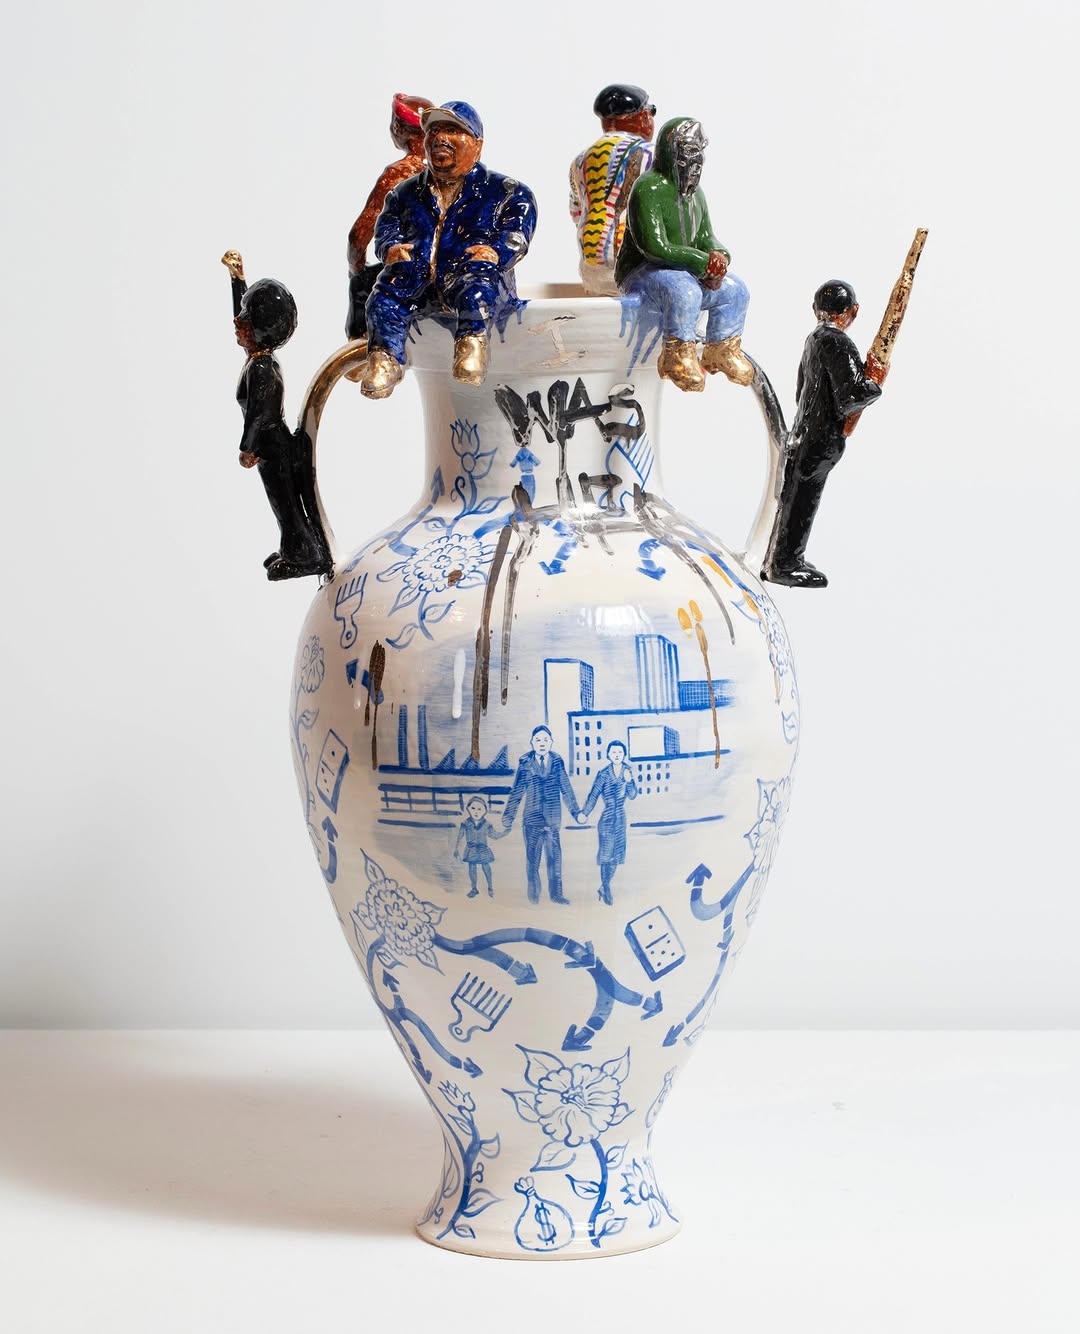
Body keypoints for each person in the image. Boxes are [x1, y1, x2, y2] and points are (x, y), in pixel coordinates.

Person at [360, 101, 538, 400]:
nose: (440, 138)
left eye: (453, 131)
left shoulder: (506, 192)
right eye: (435, 131)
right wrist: (389, 248)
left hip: (469, 276)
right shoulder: (406, 192)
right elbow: (387, 226)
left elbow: (516, 233)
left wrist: (496, 252)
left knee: (478, 286)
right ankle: (385, 359)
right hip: (417, 280)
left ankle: (472, 344)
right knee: (383, 297)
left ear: (477, 145)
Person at [616, 117, 753, 393]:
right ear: (670, 153)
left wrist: (718, 258)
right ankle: (676, 356)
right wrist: (702, 263)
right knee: (685, 291)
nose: (696, 161)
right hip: (643, 273)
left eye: (699, 151)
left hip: (685, 271)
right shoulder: (647, 189)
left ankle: (721, 349)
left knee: (735, 290)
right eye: (689, 151)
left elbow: (706, 237)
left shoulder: (696, 195)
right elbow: (654, 247)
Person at [762, 280, 883, 588]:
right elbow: (851, 396)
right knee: (803, 501)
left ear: (815, 310)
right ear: (853, 311)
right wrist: (875, 382)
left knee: (794, 497)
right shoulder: (839, 343)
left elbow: (800, 391)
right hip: (820, 439)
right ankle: (784, 564)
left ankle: (779, 559)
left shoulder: (813, 339)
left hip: (803, 433)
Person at [224, 253, 332, 581]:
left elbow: (260, 414)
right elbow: (242, 314)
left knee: (286, 506)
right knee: (282, 504)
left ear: (259, 329)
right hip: (271, 447)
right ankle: (298, 551)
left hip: (272, 448)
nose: (237, 322)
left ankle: (306, 557)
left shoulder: (261, 368)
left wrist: (247, 448)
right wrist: (237, 279)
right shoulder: (258, 356)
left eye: (245, 320)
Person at [345, 92, 434, 341]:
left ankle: (362, 348)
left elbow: (359, 234)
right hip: (448, 267)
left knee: (361, 284)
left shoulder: (398, 174)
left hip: (410, 271)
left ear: (398, 128)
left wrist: (356, 268)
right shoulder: (452, 171)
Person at [569, 84, 655, 296]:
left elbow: (576, 212)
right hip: (636, 264)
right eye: (651, 111)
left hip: (591, 264)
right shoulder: (651, 154)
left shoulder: (580, 160)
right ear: (643, 116)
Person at [502, 725, 581, 905]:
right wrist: (509, 816)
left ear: (551, 742)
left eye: (545, 740)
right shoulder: (525, 763)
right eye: (538, 740)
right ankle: (533, 898)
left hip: (552, 820)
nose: (542, 743)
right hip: (532, 820)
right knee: (533, 862)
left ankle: (556, 895)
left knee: (555, 861)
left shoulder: (557, 762)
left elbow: (566, 788)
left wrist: (576, 812)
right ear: (532, 743)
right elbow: (517, 791)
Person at [578, 740, 638, 904]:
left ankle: (604, 887)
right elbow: (593, 795)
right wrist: (585, 813)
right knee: (606, 856)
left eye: (620, 752)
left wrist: (630, 781)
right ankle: (606, 888)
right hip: (606, 819)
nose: (617, 755)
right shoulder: (603, 774)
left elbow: (633, 795)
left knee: (616, 856)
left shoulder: (627, 771)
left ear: (624, 754)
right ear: (608, 755)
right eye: (614, 752)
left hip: (620, 819)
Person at [454, 796, 509, 897]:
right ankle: (474, 889)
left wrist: (504, 833)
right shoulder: (465, 823)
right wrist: (456, 848)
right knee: (472, 868)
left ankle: (490, 887)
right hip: (471, 849)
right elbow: (460, 836)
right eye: (473, 808)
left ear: (485, 811)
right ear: (468, 809)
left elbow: (494, 835)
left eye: (479, 809)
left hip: (483, 849)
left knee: (486, 867)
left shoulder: (486, 824)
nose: (476, 812)